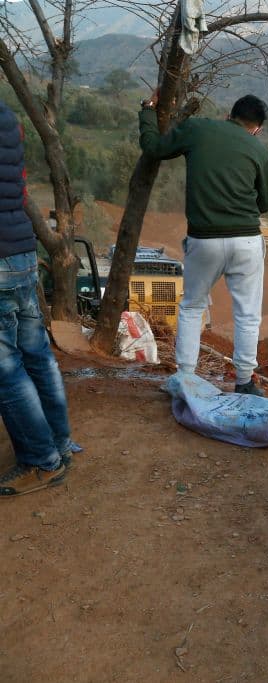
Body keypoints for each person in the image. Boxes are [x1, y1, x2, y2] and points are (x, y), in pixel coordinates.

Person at [139, 93, 268, 396]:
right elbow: (265, 203)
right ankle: (244, 381)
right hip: (246, 240)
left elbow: (154, 147)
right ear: (257, 128)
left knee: (191, 307)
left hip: (205, 239)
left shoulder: (198, 129)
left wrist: (148, 112)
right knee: (248, 313)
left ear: (230, 114)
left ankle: (186, 377)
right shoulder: (259, 150)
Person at [0, 100, 74, 496]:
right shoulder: (7, 114)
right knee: (37, 355)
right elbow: (20, 181)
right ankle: (59, 445)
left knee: (5, 370)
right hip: (22, 252)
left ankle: (41, 461)